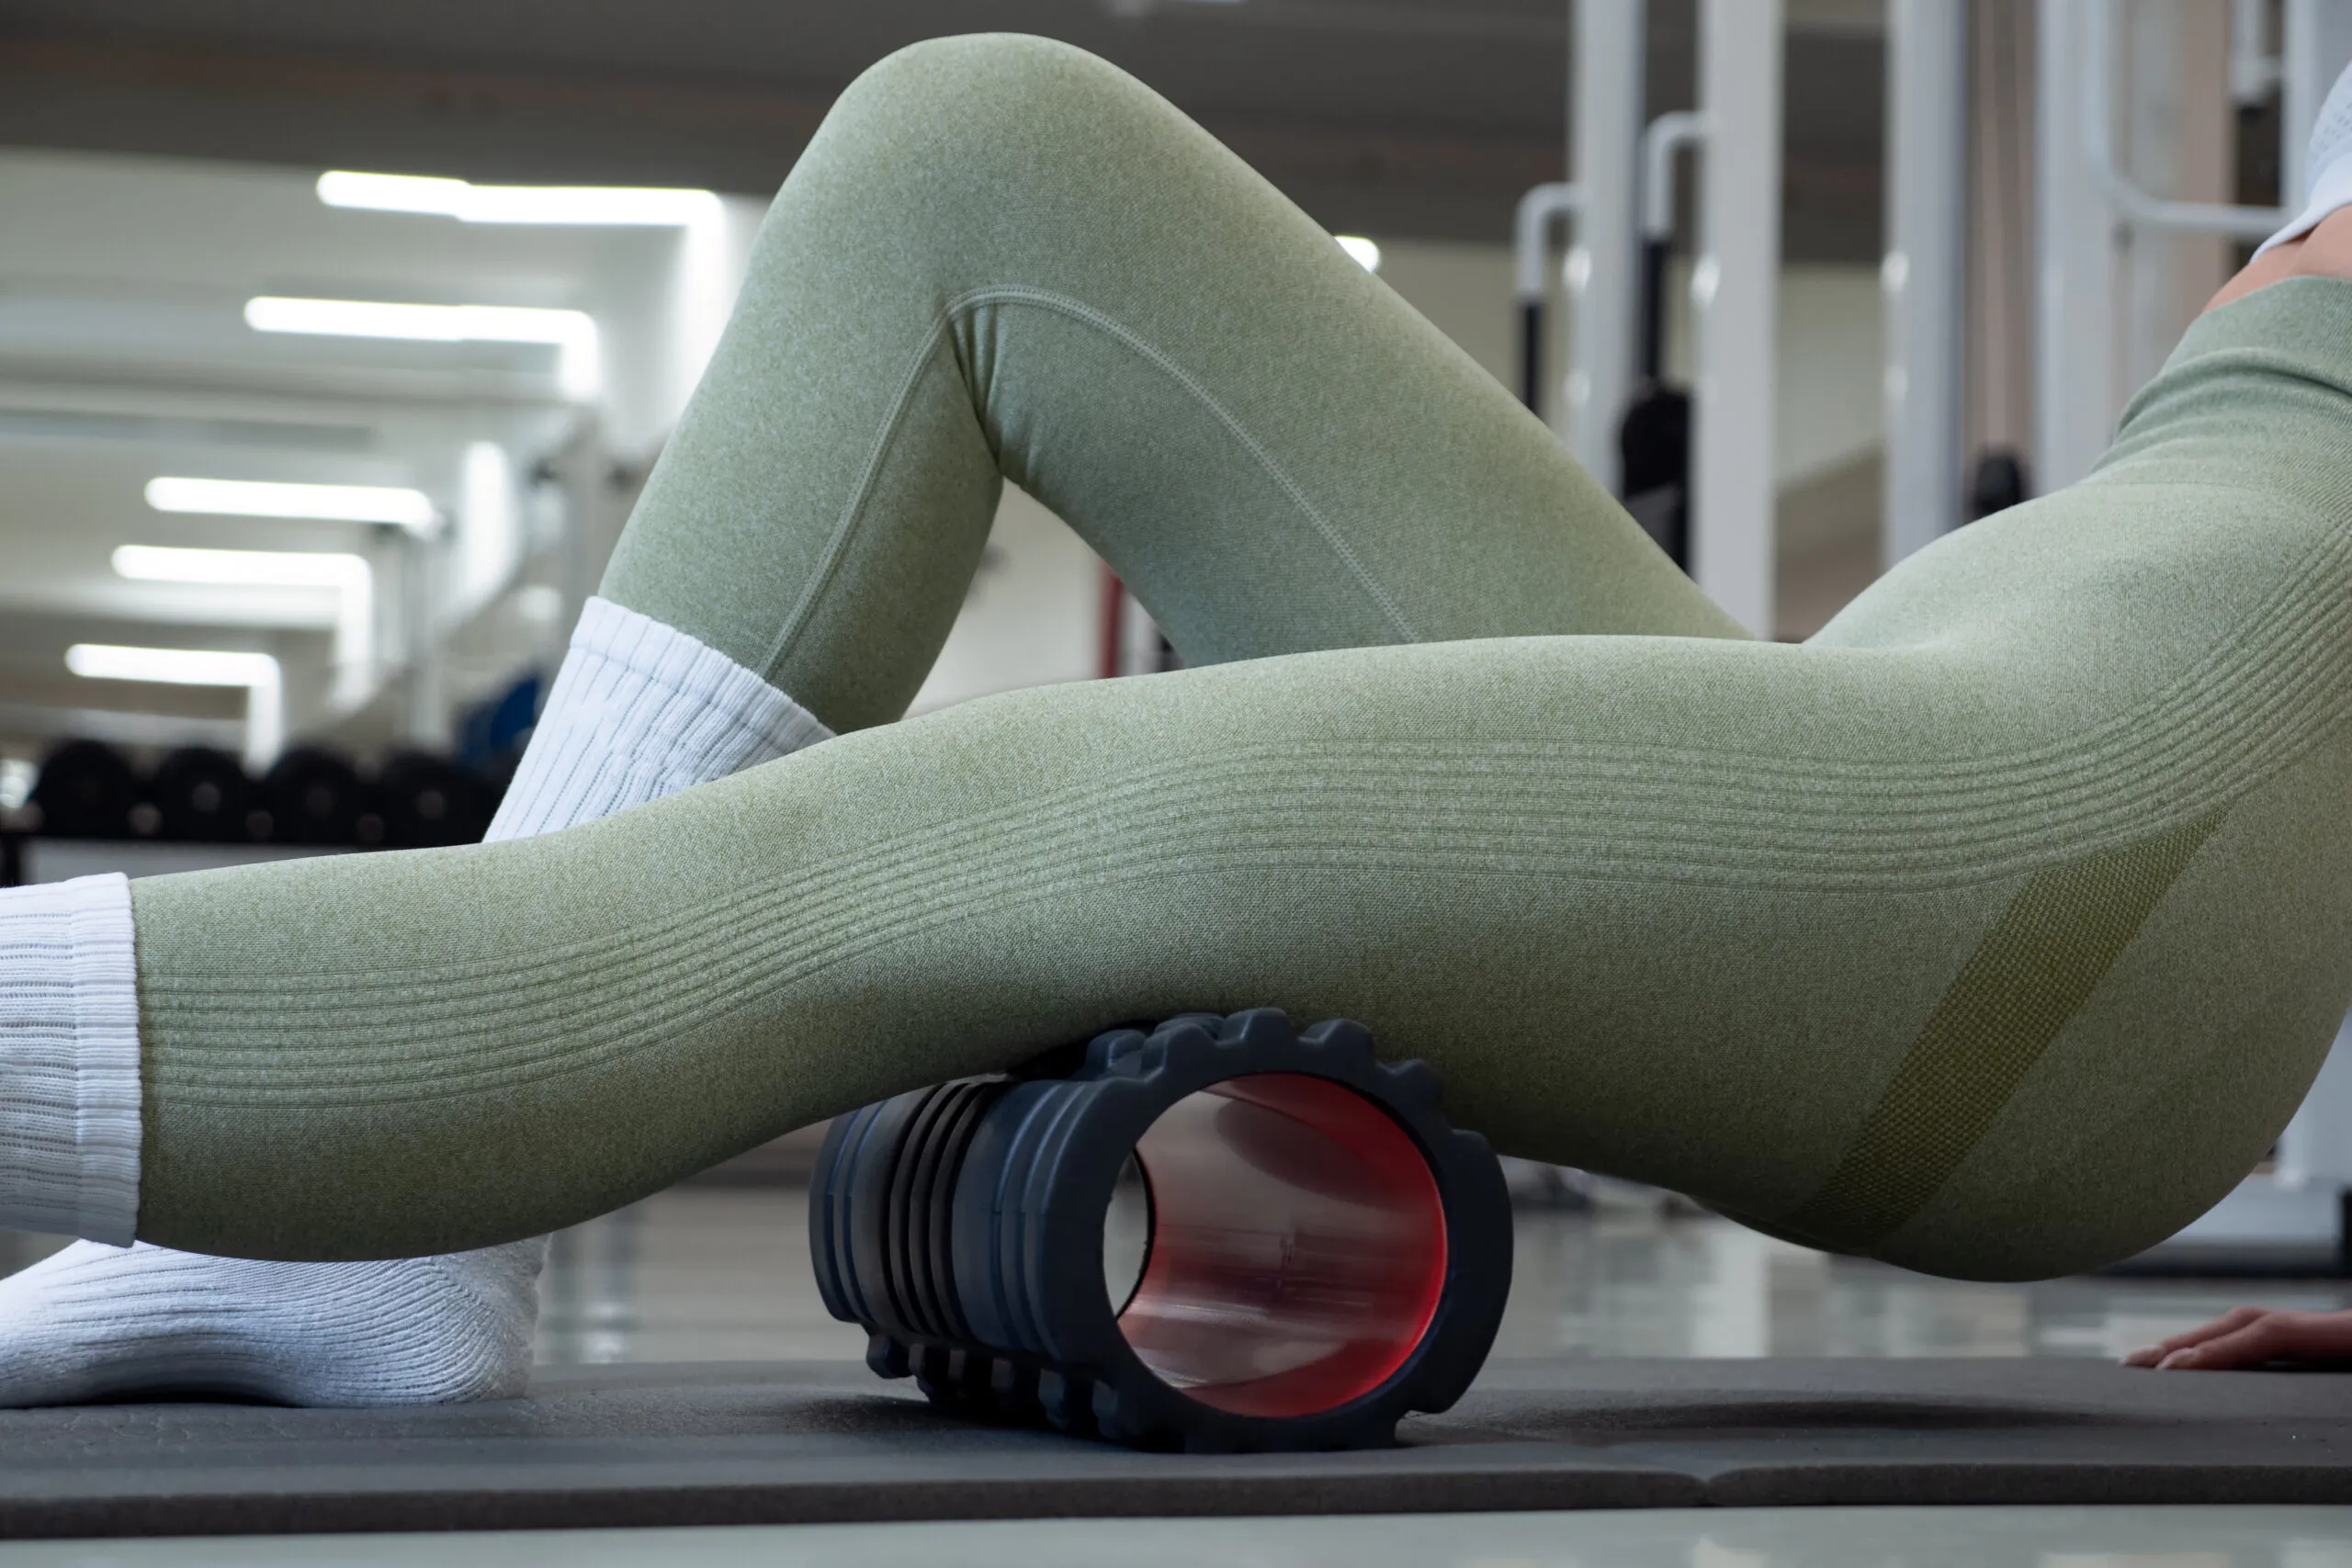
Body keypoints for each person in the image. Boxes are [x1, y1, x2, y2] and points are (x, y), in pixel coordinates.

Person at [6, 33, 2352, 1409]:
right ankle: (375, 1230)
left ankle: (361, 1151)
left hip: (2092, 855)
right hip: (1975, 699)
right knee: (979, 152)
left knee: (891, 863)